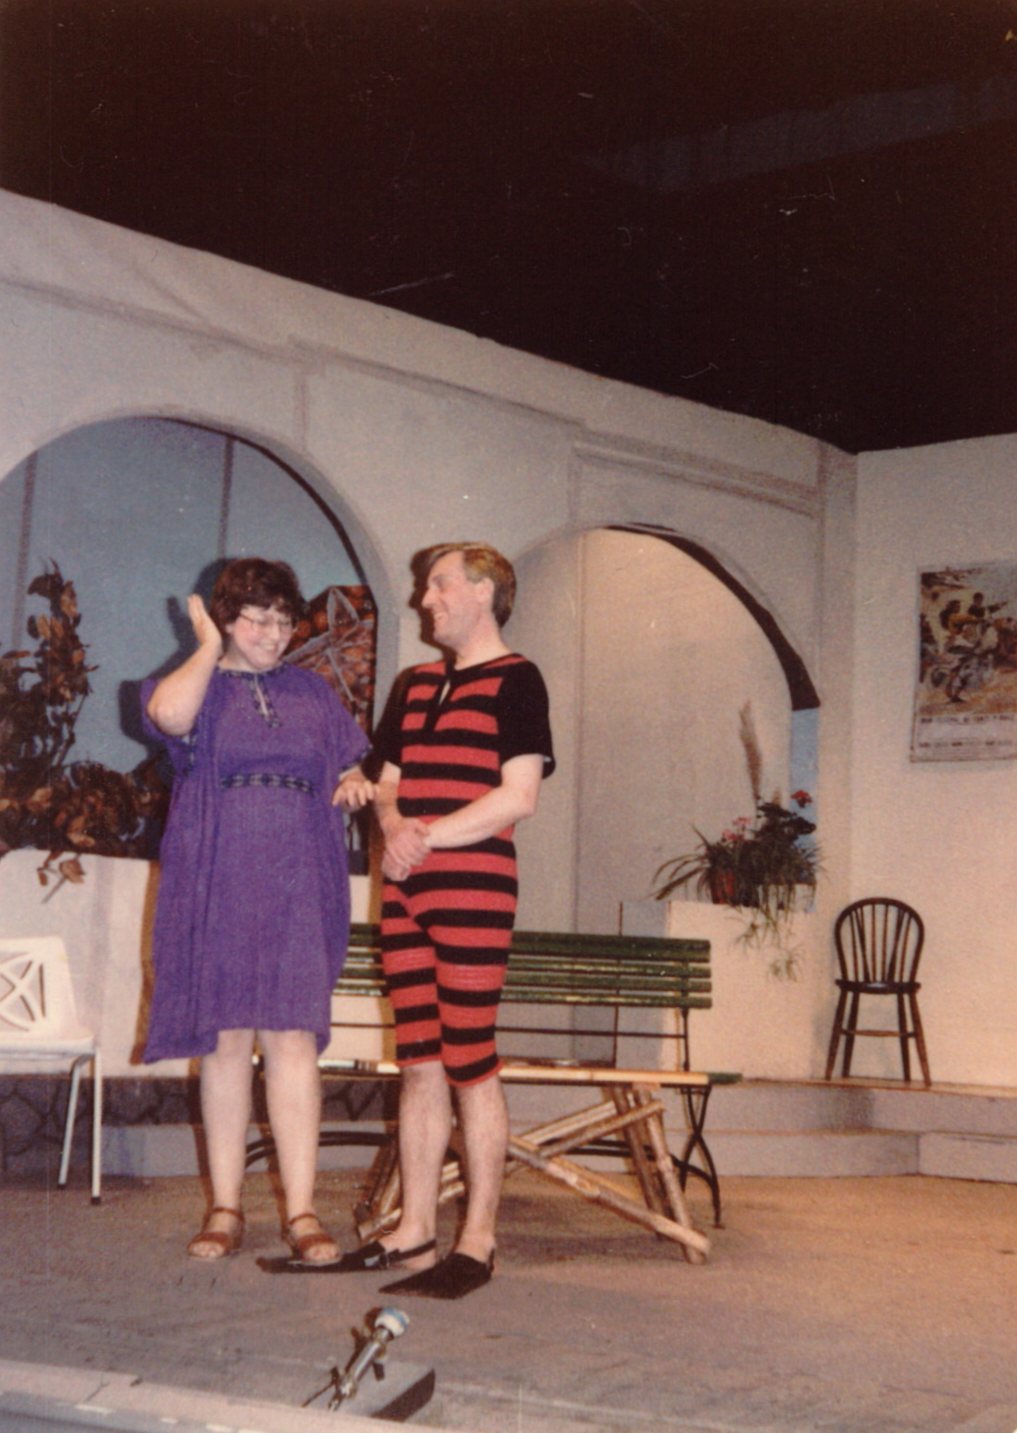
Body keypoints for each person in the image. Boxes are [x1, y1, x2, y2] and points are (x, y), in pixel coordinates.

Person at [142, 557, 374, 1264]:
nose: (273, 634)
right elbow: (168, 716)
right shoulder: (197, 683)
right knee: (224, 1041)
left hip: (299, 878)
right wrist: (209, 646)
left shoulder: (312, 691)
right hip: (218, 874)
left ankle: (302, 1213)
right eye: (257, 620)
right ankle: (225, 1207)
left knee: (293, 1039)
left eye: (283, 621)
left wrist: (353, 781)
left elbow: (348, 762)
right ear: (225, 618)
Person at [339, 542, 554, 1299]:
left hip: (472, 888)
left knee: (469, 1058)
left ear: (485, 591)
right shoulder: (415, 683)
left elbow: (518, 796)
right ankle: (413, 1229)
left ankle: (478, 1240)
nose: (424, 599)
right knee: (419, 1060)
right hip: (405, 889)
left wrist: (421, 837)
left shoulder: (518, 679)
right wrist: (394, 826)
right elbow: (386, 782)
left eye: (439, 585)